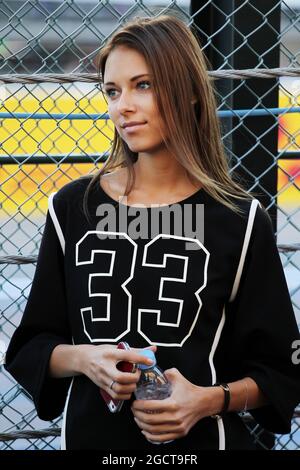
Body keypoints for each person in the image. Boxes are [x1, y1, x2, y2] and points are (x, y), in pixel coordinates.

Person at [5, 14, 300, 451]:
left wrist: (206, 400)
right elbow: (31, 346)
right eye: (111, 90)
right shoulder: (72, 208)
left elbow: (280, 372)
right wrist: (86, 359)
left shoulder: (238, 218)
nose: (122, 106)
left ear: (187, 92)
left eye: (143, 85)